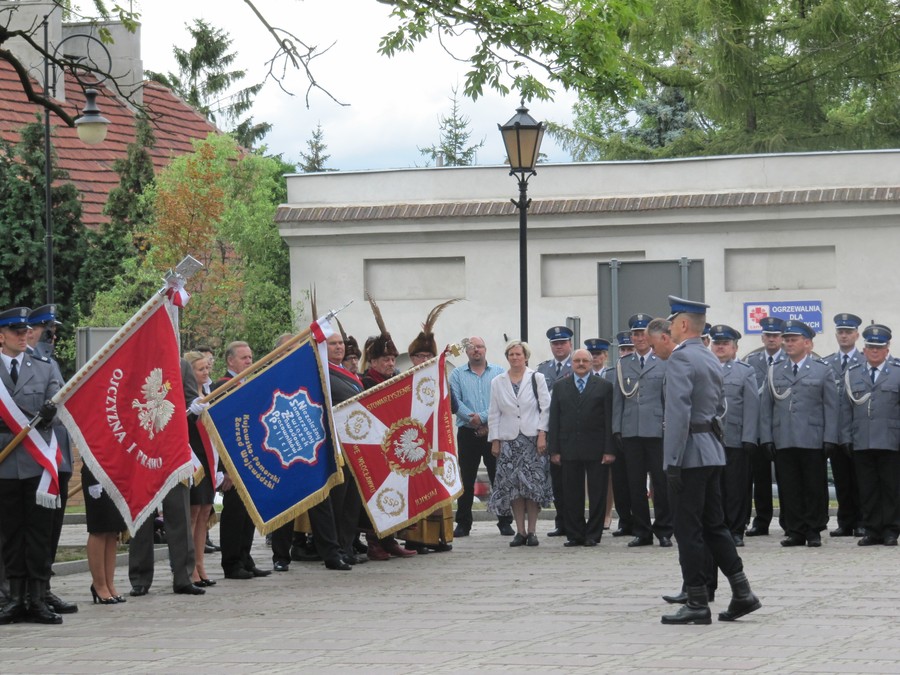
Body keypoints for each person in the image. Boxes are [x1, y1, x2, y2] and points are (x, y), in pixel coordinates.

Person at [660, 296, 761, 626]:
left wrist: (672, 460)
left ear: (683, 325)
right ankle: (742, 591)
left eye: (672, 322)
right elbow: (721, 409)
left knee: (688, 530)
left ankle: (697, 601)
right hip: (712, 450)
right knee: (715, 526)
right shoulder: (708, 358)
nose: (670, 327)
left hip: (688, 453)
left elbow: (678, 414)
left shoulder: (680, 359)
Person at [0, 307, 63, 625]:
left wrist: (53, 411)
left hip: (37, 461)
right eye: (16, 332)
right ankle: (14, 598)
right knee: (11, 533)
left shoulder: (44, 365)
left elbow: (59, 401)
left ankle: (37, 599)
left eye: (26, 332)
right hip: (4, 462)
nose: (24, 336)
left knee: (38, 532)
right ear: (2, 336)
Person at [128, 359, 205, 596]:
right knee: (142, 514)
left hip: (173, 450)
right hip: (143, 448)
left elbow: (192, 400)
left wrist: (194, 409)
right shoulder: (133, 361)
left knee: (179, 514)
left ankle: (183, 575)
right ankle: (140, 578)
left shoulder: (180, 366)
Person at [759, 320, 838, 548]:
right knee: (789, 487)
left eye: (793, 340)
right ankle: (795, 530)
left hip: (812, 438)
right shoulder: (775, 370)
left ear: (808, 344)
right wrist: (766, 438)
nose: (788, 343)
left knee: (814, 486)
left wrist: (830, 438)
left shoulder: (822, 370)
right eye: (787, 340)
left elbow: (831, 407)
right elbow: (767, 408)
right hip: (783, 438)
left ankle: (813, 530)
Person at [25, 304, 77, 615]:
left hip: (58, 456)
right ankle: (27, 590)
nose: (52, 336)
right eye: (48, 330)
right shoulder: (32, 363)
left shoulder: (48, 362)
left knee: (51, 530)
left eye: (53, 331)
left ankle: (44, 587)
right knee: (33, 529)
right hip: (36, 457)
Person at [358, 295, 417, 560]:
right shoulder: (365, 382)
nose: (390, 364)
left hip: (396, 445)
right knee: (376, 494)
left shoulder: (398, 380)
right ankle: (374, 542)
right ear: (373, 362)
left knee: (396, 493)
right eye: (385, 360)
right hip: (373, 446)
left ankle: (390, 539)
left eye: (392, 360)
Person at [398, 299, 458, 554]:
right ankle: (415, 538)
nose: (423, 359)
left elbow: (452, 406)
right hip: (413, 445)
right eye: (419, 355)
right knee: (417, 491)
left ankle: (440, 537)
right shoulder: (403, 380)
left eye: (427, 355)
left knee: (438, 488)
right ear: (411, 358)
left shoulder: (441, 380)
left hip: (436, 445)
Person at [612, 313, 673, 548]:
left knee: (661, 482)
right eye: (635, 334)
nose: (638, 338)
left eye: (642, 334)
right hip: (631, 431)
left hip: (658, 430)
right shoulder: (622, 364)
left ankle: (665, 530)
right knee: (634, 484)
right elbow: (618, 400)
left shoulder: (664, 361)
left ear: (650, 336)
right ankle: (642, 531)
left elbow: (669, 398)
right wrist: (617, 428)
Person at [216, 341, 273, 579]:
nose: (249, 361)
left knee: (248, 513)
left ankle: (245, 557)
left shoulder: (248, 384)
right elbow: (218, 431)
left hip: (250, 461)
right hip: (232, 464)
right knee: (234, 515)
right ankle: (231, 563)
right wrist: (223, 470)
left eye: (250, 357)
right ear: (230, 361)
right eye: (244, 358)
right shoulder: (222, 387)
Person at [839, 325, 900, 546]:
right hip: (862, 439)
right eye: (871, 347)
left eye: (879, 347)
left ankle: (891, 530)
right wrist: (845, 436)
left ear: (887, 348)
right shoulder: (853, 373)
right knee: (867, 487)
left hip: (891, 440)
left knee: (891, 487)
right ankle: (872, 529)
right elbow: (846, 408)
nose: (874, 351)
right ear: (864, 349)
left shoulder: (897, 371)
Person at [548, 349, 615, 547]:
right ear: (572, 363)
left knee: (597, 493)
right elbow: (554, 419)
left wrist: (609, 450)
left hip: (596, 449)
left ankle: (593, 534)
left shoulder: (604, 386)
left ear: (591, 363)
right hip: (568, 448)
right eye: (577, 360)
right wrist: (554, 449)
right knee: (571, 494)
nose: (581, 364)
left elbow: (609, 420)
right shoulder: (560, 387)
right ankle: (575, 534)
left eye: (585, 360)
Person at [488, 340, 552, 546]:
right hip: (509, 441)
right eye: (511, 355)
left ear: (525, 356)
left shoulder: (537, 378)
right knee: (514, 488)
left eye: (518, 354)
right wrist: (495, 440)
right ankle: (520, 531)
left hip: (532, 439)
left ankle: (532, 531)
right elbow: (494, 412)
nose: (515, 358)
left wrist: (542, 434)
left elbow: (545, 408)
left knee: (532, 487)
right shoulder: (498, 381)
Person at [448, 336, 507, 537]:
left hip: (494, 431)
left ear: (486, 349)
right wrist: (471, 419)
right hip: (467, 432)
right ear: (467, 352)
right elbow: (454, 401)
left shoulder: (499, 372)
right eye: (472, 348)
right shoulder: (456, 374)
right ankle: (463, 523)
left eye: (480, 347)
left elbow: (501, 400)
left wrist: (482, 418)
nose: (476, 351)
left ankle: (505, 521)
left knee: (498, 476)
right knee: (467, 478)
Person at [708, 325, 758, 547]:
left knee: (735, 486)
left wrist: (749, 437)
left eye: (725, 343)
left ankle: (736, 529)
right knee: (713, 487)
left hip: (734, 437)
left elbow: (751, 406)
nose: (720, 347)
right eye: (716, 343)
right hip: (708, 439)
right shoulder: (704, 369)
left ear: (735, 348)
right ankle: (715, 527)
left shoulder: (745, 372)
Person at [822, 313, 865, 538]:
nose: (844, 335)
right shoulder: (827, 363)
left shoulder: (866, 361)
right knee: (841, 479)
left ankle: (861, 521)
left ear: (857, 335)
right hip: (836, 431)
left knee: (859, 478)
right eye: (841, 332)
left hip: (858, 431)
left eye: (849, 332)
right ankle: (845, 521)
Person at [744, 316, 785, 537]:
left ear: (782, 338)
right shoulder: (752, 362)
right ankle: (761, 521)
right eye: (768, 335)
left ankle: (789, 519)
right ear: (762, 337)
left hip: (781, 428)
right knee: (759, 478)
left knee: (785, 477)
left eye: (775, 336)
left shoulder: (789, 361)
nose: (771, 339)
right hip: (759, 429)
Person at [183, 351, 218, 586]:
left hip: (209, 458)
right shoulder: (183, 396)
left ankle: (200, 564)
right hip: (192, 457)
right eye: (200, 369)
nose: (206, 373)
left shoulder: (209, 392)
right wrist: (190, 413)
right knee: (194, 513)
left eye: (207, 368)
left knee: (205, 511)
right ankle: (190, 567)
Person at [536, 326, 574, 538]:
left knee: (572, 478)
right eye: (555, 343)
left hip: (571, 429)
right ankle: (561, 521)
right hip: (551, 429)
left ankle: (573, 520)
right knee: (557, 479)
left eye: (562, 343)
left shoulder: (577, 365)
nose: (559, 347)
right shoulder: (543, 370)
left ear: (570, 344)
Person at [82, 465, 126, 604]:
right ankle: (99, 584)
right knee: (100, 527)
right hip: (96, 467)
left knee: (113, 529)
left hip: (115, 469)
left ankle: (109, 583)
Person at [608, 331, 634, 538]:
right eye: (622, 349)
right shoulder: (613, 371)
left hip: (642, 432)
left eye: (629, 349)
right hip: (620, 433)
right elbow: (615, 404)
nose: (625, 353)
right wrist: (616, 430)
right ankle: (625, 521)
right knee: (621, 482)